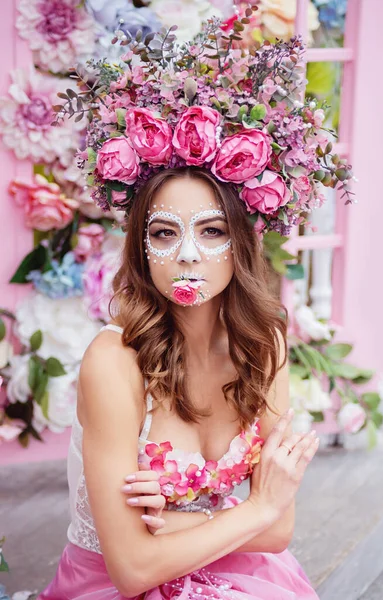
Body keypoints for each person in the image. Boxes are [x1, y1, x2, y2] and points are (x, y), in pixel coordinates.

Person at [38, 167, 320, 599]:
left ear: (243, 241)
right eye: (165, 233)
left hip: (234, 563)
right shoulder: (114, 361)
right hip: (110, 582)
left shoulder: (266, 348)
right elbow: (132, 568)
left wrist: (174, 521)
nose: (187, 253)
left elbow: (278, 530)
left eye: (211, 230)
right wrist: (257, 506)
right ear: (143, 249)